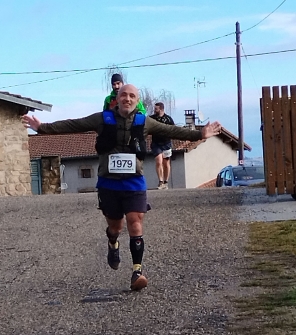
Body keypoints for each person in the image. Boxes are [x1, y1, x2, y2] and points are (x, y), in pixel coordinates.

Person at [21, 84, 222, 291]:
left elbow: (172, 131)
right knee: (116, 226)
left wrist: (200, 134)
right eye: (124, 95)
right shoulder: (102, 118)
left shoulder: (145, 122)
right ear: (117, 98)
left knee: (135, 222)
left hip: (134, 181)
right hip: (108, 183)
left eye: (132, 96)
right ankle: (113, 242)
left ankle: (137, 272)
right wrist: (42, 127)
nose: (128, 98)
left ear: (137, 101)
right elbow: (74, 125)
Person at [150, 102, 175, 189]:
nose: (154, 110)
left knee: (166, 163)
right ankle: (160, 182)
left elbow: (174, 129)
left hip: (166, 143)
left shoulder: (168, 119)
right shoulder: (152, 118)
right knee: (158, 161)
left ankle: (166, 182)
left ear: (161, 109)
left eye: (156, 109)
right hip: (156, 143)